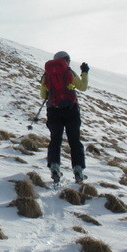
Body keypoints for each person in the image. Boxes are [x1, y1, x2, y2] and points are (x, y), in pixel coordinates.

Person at [40, 51, 89, 183]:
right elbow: (83, 87)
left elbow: (43, 95)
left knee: (55, 140)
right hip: (71, 110)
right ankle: (78, 171)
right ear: (66, 60)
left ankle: (55, 167)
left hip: (53, 111)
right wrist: (84, 73)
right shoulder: (69, 72)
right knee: (74, 141)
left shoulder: (47, 74)